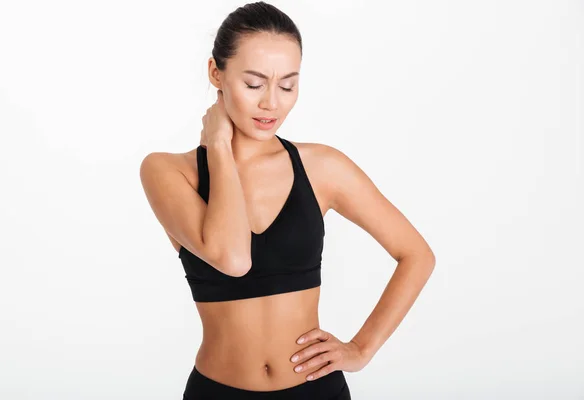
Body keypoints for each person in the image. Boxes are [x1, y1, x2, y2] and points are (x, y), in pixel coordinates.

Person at [140, 2, 436, 399]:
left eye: (287, 85)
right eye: (253, 83)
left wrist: (362, 349)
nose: (271, 104)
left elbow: (416, 254)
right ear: (216, 73)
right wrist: (219, 148)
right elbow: (233, 258)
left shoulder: (322, 167)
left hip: (316, 390)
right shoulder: (167, 172)